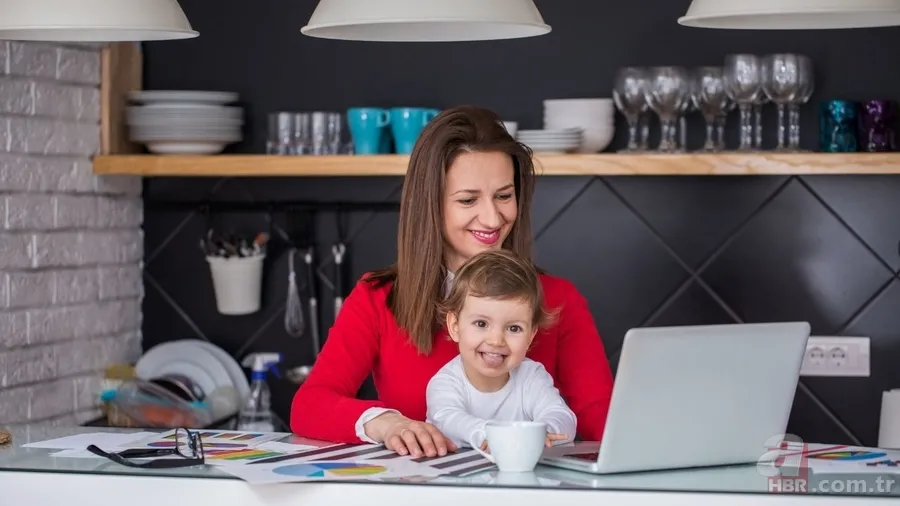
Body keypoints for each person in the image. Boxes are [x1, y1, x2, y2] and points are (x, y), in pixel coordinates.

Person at [290, 105, 614, 459]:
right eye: (468, 199)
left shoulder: (557, 298)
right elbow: (309, 405)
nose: (492, 218)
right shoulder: (378, 297)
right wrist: (388, 424)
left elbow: (603, 418)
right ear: (430, 205)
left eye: (504, 196)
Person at [425, 249, 577, 452]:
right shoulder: (445, 383)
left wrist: (543, 432)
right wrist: (495, 435)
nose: (496, 340)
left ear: (531, 336)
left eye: (514, 328)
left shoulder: (531, 376)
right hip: (456, 480)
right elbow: (450, 421)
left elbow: (562, 417)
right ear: (454, 326)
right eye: (481, 323)